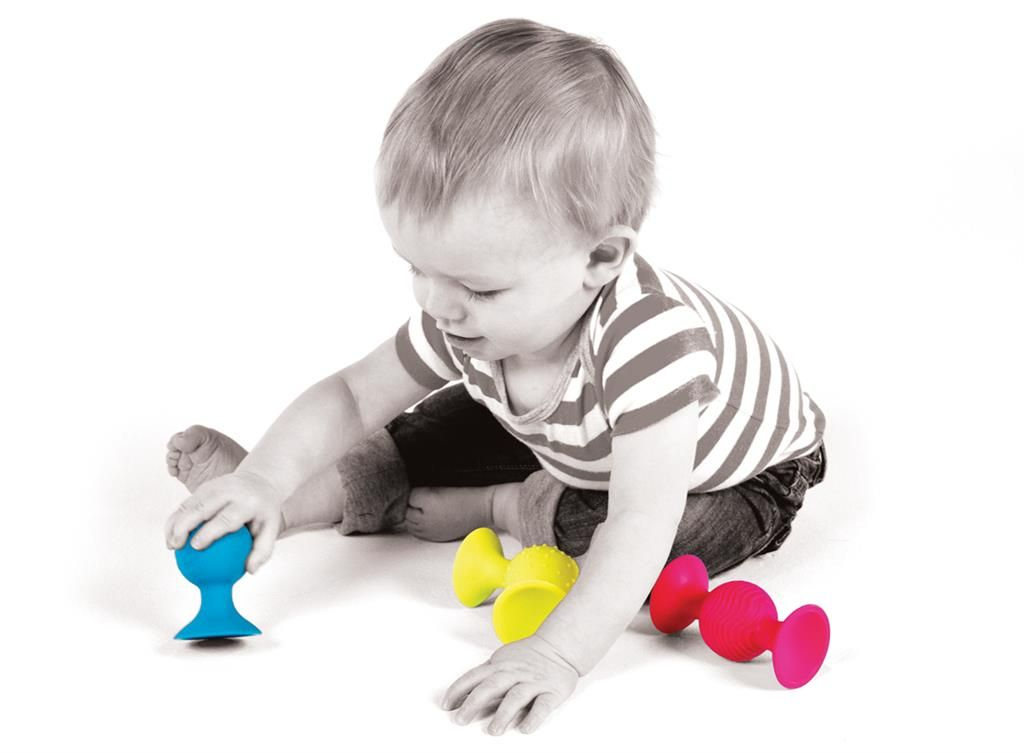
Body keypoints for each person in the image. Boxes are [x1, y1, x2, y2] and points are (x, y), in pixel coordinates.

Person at [164, 18, 828, 735]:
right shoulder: (472, 316)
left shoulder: (650, 346)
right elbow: (355, 395)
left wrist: (555, 653)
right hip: (570, 433)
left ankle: (504, 505)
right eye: (417, 269)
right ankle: (291, 502)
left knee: (626, 543)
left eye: (478, 288)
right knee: (423, 428)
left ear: (600, 259)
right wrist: (265, 475)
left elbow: (641, 518)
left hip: (729, 477)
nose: (438, 304)